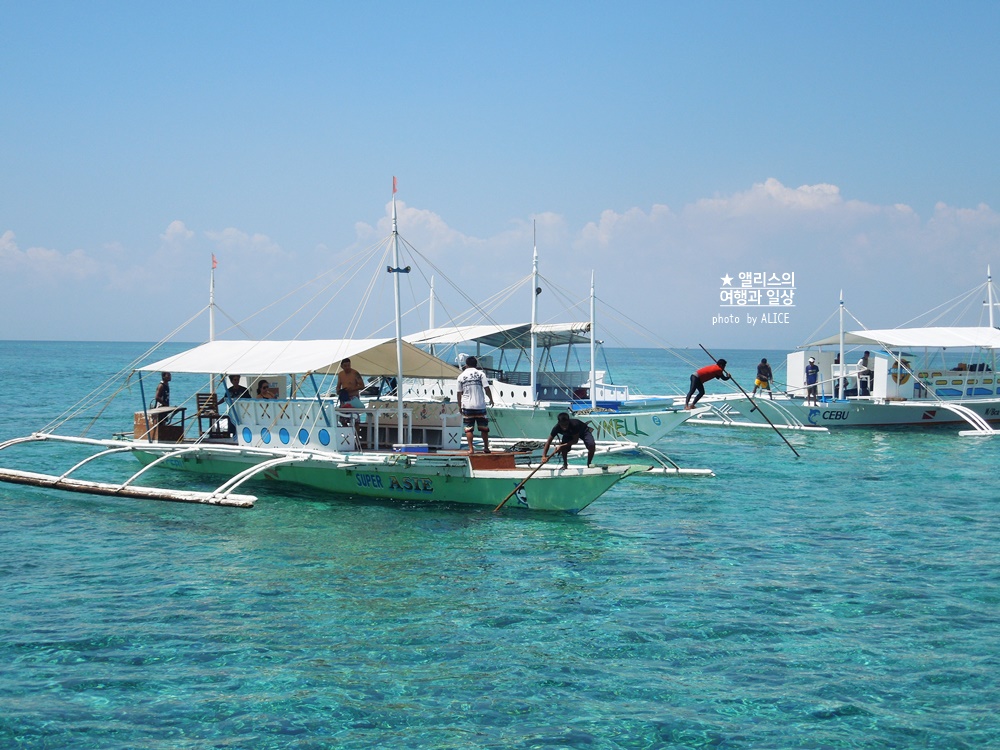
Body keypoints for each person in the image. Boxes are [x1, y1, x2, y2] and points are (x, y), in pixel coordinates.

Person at [456, 355, 494, 453]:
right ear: (476, 364)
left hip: (467, 405)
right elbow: (486, 388)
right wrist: (491, 399)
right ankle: (486, 447)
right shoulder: (481, 374)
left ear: (466, 364)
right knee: (484, 428)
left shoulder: (461, 376)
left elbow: (459, 393)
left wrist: (459, 406)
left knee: (469, 429)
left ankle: (471, 449)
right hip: (480, 405)